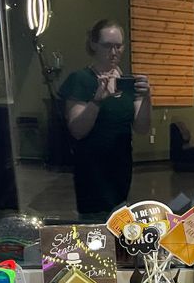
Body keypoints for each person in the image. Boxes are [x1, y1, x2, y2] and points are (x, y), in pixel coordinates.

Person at [60, 19, 152, 218]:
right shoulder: (81, 79)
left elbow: (142, 128)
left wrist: (147, 97)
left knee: (118, 219)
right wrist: (97, 100)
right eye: (107, 46)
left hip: (121, 166)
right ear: (93, 44)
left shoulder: (126, 83)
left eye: (118, 46)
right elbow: (77, 130)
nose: (114, 52)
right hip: (91, 169)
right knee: (94, 224)